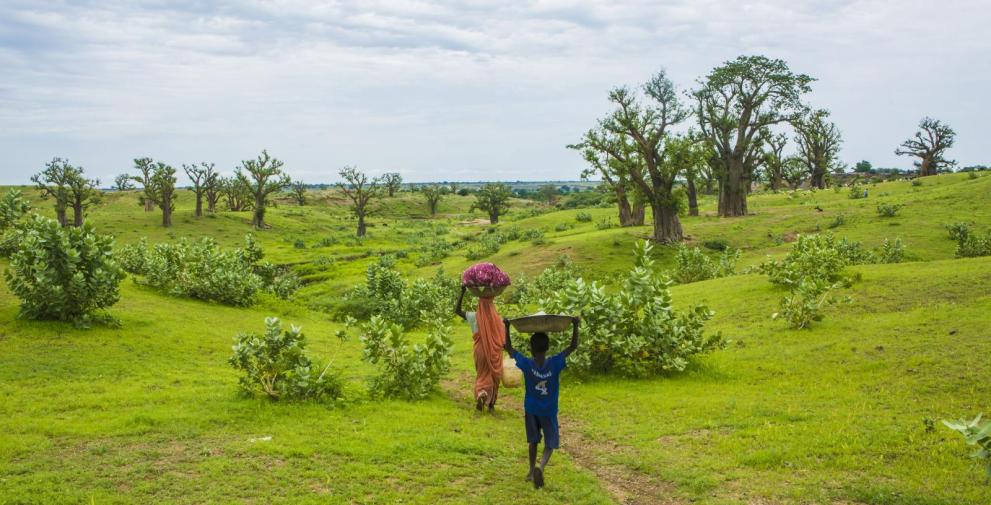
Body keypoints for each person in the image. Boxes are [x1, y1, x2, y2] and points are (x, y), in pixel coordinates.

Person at [502, 316, 579, 489]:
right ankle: (541, 465)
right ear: (548, 348)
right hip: (549, 410)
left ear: (530, 348)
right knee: (550, 443)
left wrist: (507, 327)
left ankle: (531, 471)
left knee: (533, 441)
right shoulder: (555, 362)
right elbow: (573, 346)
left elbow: (510, 349)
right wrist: (575, 325)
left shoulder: (527, 364)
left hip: (531, 409)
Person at [455, 285, 505, 411]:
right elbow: (502, 339)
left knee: (482, 374)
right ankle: (491, 403)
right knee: (494, 376)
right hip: (495, 351)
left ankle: (481, 393)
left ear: (480, 304)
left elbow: (457, 310)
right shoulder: (497, 319)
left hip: (480, 351)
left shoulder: (474, 316)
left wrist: (462, 292)